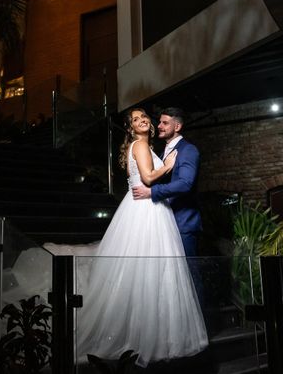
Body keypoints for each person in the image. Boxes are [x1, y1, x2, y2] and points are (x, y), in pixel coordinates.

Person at [74, 108, 208, 366]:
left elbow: (184, 184)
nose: (148, 121)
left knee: (158, 274)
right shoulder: (142, 146)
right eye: (136, 119)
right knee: (149, 272)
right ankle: (148, 335)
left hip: (156, 211)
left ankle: (158, 332)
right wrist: (166, 167)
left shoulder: (179, 149)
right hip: (147, 211)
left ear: (177, 127)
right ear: (130, 128)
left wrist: (156, 186)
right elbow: (147, 178)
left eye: (147, 116)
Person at [131, 107, 201, 257]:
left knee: (189, 275)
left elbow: (185, 183)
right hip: (164, 223)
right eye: (159, 123)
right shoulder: (163, 153)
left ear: (177, 127)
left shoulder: (188, 150)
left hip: (183, 224)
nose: (159, 126)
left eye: (165, 123)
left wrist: (152, 192)